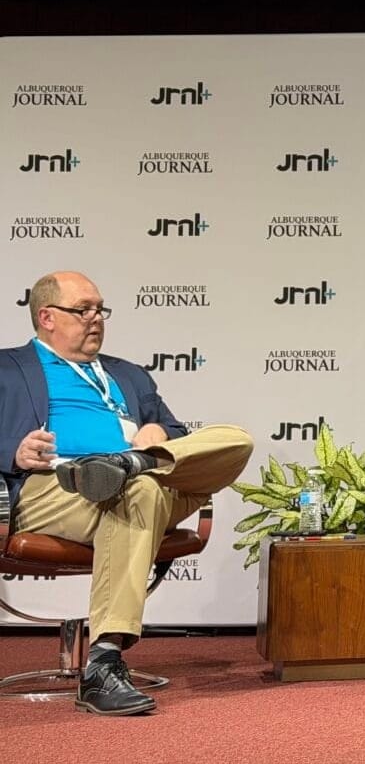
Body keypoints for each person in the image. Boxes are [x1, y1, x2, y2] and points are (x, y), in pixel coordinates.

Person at [1, 271, 254, 716]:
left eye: (101, 309)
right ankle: (104, 662)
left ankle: (128, 464)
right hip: (56, 487)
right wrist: (14, 450)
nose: (97, 318)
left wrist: (158, 434)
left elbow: (177, 435)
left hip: (141, 482)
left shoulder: (129, 374)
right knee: (142, 494)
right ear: (47, 317)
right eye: (84, 310)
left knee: (235, 439)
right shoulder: (7, 368)